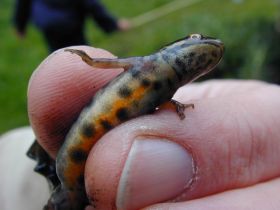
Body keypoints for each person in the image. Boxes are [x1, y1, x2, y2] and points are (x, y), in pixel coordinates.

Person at [24, 46, 280, 210]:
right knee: (68, 191)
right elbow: (109, 66)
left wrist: (176, 106)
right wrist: (89, 61)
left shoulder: (164, 84)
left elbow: (162, 102)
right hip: (72, 157)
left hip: (82, 163)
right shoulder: (148, 64)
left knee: (77, 191)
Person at [13, 0, 130, 52]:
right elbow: (92, 6)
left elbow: (22, 4)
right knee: (81, 52)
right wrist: (114, 25)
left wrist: (20, 26)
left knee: (57, 53)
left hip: (48, 24)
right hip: (71, 24)